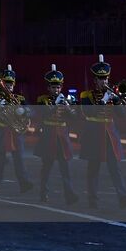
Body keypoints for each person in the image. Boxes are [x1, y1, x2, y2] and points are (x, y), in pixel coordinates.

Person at [77, 54, 126, 209]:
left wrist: (117, 100)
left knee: (114, 167)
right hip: (93, 134)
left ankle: (123, 197)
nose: (105, 82)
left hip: (110, 134)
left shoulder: (112, 95)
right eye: (101, 79)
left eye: (106, 78)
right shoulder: (86, 95)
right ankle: (92, 200)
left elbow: (122, 115)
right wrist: (103, 100)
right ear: (95, 80)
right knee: (93, 168)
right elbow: (88, 113)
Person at [34, 65, 78, 205]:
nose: (56, 90)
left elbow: (75, 117)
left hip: (62, 138)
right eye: (53, 87)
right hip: (48, 137)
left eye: (58, 87)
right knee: (46, 168)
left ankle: (69, 195)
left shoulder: (66, 99)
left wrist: (68, 108)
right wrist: (54, 104)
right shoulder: (42, 99)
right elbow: (42, 114)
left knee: (65, 169)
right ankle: (43, 193)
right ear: (48, 88)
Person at [0, 65, 33, 193]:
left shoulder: (19, 98)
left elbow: (30, 112)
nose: (9, 86)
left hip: (15, 132)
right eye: (6, 83)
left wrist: (23, 110)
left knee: (19, 158)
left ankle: (24, 183)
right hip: (0, 130)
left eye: (11, 84)